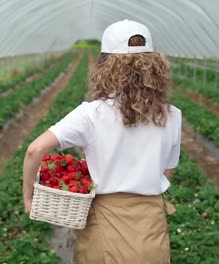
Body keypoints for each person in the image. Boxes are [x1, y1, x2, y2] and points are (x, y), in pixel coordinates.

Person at [23, 19, 181, 264]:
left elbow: (35, 150)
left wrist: (29, 197)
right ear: (155, 64)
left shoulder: (93, 113)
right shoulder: (171, 114)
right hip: (151, 224)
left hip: (105, 221)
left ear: (106, 64)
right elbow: (167, 171)